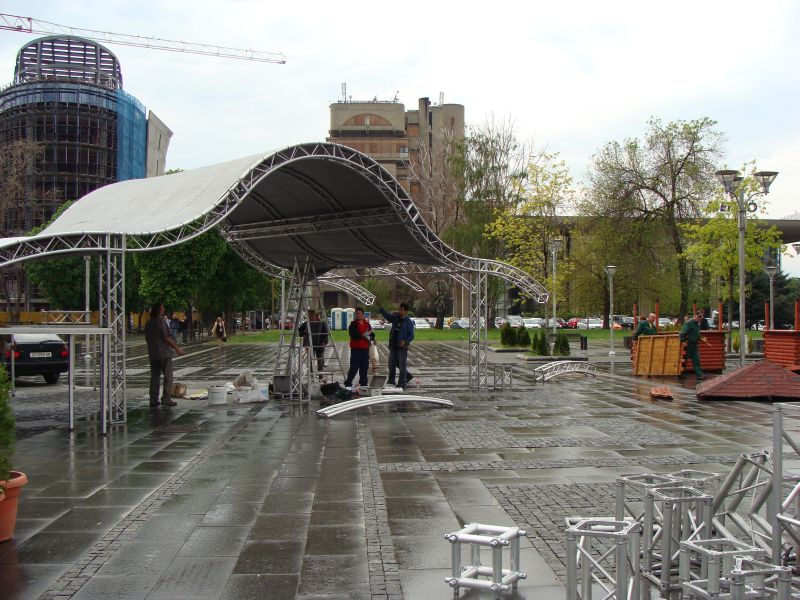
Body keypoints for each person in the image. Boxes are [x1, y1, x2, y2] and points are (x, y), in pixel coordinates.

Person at [144, 303, 186, 408]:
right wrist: (177, 349)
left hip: (153, 353)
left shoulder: (148, 323)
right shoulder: (161, 322)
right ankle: (166, 399)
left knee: (154, 377)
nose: (164, 309)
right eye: (163, 308)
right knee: (168, 377)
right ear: (159, 310)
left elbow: (147, 338)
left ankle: (153, 399)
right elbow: (167, 337)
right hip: (164, 353)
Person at [379, 302, 415, 388]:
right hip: (393, 346)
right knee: (391, 365)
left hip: (402, 347)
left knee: (402, 366)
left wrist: (405, 342)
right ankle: (391, 381)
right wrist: (381, 308)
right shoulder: (395, 318)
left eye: (401, 310)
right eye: (399, 309)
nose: (399, 311)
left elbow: (411, 335)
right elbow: (387, 316)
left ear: (406, 311)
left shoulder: (408, 322)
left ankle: (401, 383)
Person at [344, 307, 372, 389]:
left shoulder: (367, 324)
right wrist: (363, 335)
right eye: (356, 314)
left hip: (365, 349)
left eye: (359, 313)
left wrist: (370, 337)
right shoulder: (353, 324)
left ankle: (364, 383)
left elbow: (372, 334)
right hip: (356, 350)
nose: (358, 315)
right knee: (354, 367)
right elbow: (353, 334)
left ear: (363, 314)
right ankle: (348, 383)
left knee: (364, 367)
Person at [679, 310, 706, 380]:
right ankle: (680, 373)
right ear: (695, 316)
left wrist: (701, 337)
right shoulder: (688, 323)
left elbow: (695, 333)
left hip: (694, 344)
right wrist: (683, 341)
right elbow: (682, 333)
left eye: (702, 317)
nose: (701, 318)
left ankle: (699, 375)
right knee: (684, 360)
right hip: (688, 345)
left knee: (696, 359)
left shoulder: (697, 324)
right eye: (699, 316)